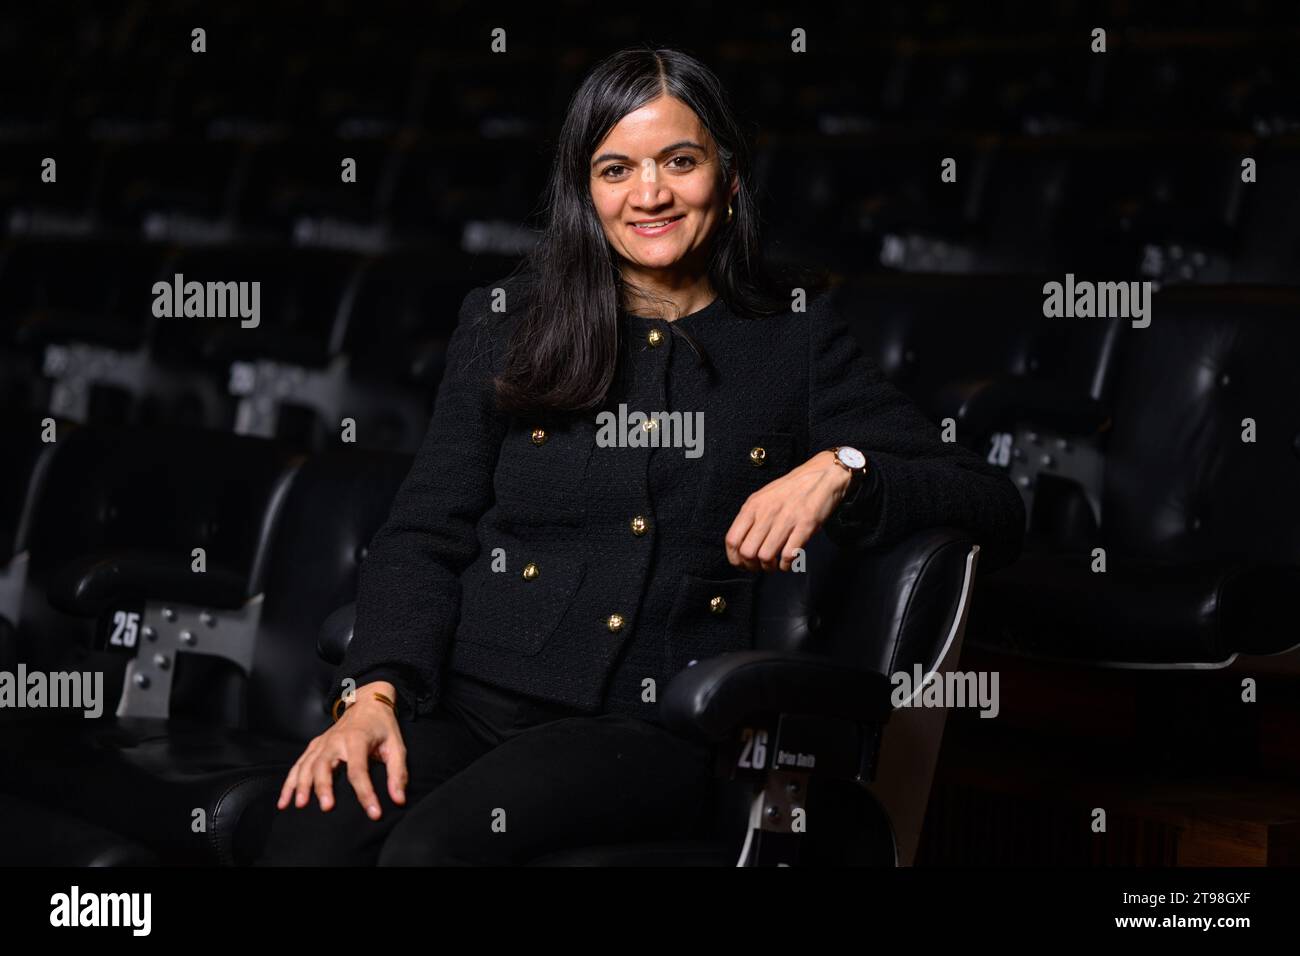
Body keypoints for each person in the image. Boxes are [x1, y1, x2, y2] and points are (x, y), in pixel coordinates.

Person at [257, 46, 1025, 866]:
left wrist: (842, 467)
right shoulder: (506, 321)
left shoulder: (794, 339)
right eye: (616, 168)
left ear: (727, 181)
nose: (649, 194)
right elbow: (422, 533)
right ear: (585, 193)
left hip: (649, 723)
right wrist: (371, 696)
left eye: (680, 162)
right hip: (466, 693)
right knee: (313, 831)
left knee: (434, 854)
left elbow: (995, 504)